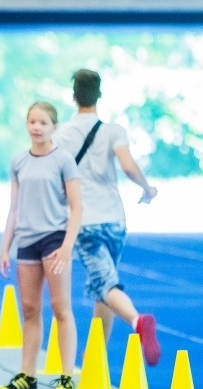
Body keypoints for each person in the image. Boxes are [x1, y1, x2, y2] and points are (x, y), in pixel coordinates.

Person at [52, 69, 161, 365]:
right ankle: (93, 359)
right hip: (115, 219)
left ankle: (137, 320)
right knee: (104, 286)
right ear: (99, 95)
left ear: (74, 96)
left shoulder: (61, 134)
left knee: (106, 285)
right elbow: (127, 166)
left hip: (85, 220)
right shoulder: (114, 131)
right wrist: (147, 188)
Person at [0, 102, 82, 389]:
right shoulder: (19, 161)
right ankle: (27, 375)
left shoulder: (64, 160)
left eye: (43, 123)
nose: (36, 127)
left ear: (54, 127)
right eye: (32, 122)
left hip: (54, 237)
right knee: (30, 309)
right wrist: (5, 247)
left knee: (60, 307)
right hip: (27, 239)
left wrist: (67, 246)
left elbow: (76, 207)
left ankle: (67, 376)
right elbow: (14, 208)